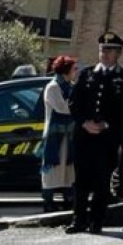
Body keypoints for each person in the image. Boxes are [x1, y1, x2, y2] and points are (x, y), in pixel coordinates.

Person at [66, 33, 123, 234]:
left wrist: (109, 125)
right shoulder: (87, 74)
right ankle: (78, 219)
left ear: (118, 53)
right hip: (84, 136)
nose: (105, 54)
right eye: (102, 50)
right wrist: (84, 123)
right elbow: (74, 103)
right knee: (81, 180)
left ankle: (96, 221)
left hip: (107, 138)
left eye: (110, 50)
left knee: (101, 180)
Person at [39, 55, 77, 213]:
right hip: (56, 135)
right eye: (74, 68)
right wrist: (78, 107)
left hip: (69, 135)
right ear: (66, 70)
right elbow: (63, 108)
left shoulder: (71, 86)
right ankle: (48, 202)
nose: (76, 71)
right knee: (52, 169)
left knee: (68, 169)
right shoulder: (53, 87)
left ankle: (68, 199)